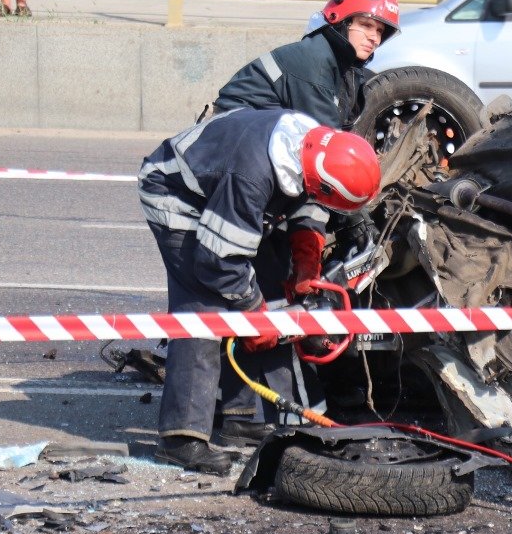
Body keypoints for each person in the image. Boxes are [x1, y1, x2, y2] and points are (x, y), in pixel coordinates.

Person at [138, 108, 382, 474]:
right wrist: (255, 314)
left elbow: (310, 200)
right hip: (175, 192)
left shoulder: (316, 148)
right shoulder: (251, 178)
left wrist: (305, 257)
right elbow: (217, 263)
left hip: (225, 186)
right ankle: (181, 439)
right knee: (205, 307)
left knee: (269, 287)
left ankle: (245, 416)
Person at [211, 0, 400, 129]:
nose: (374, 38)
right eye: (366, 25)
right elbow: (328, 141)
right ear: (341, 21)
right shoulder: (315, 61)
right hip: (228, 139)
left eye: (380, 31)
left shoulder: (341, 64)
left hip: (251, 135)